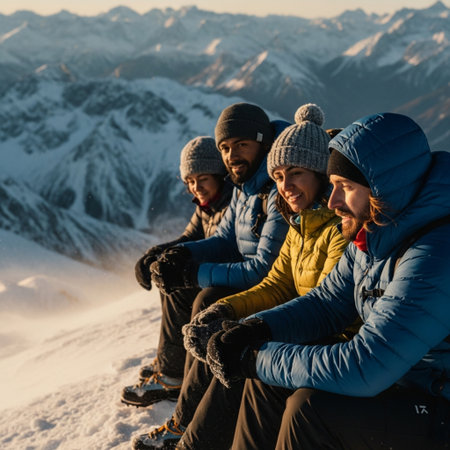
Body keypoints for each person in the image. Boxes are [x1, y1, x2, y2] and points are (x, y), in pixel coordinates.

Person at [206, 112, 450, 449]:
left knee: (309, 409)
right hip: (405, 383)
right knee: (268, 382)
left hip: (436, 404)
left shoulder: (435, 254)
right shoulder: (374, 233)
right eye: (332, 185)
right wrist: (256, 330)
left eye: (346, 187)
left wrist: (254, 358)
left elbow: (367, 365)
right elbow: (326, 304)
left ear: (386, 187)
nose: (333, 202)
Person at [131, 104, 351, 449]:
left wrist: (249, 323)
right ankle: (186, 423)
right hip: (306, 327)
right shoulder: (296, 215)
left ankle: (189, 432)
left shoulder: (329, 224)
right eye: (279, 176)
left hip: (331, 345)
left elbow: (322, 304)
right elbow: (275, 281)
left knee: (237, 350)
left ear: (320, 173)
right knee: (218, 326)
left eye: (295, 173)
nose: (286, 186)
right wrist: (222, 306)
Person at [121, 103, 290, 408]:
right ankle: (174, 370)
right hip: (251, 278)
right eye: (225, 147)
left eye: (241, 144)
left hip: (272, 288)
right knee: (178, 282)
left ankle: (181, 386)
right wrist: (173, 256)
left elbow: (263, 269)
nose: (232, 154)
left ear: (263, 143)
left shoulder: (275, 189)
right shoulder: (243, 185)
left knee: (205, 300)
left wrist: (191, 272)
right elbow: (221, 238)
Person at [126, 136, 233, 388]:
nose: (196, 187)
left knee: (178, 287)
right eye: (190, 182)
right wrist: (157, 253)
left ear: (220, 175)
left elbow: (225, 246)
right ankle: (170, 359)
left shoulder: (230, 204)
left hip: (229, 277)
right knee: (167, 274)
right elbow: (189, 237)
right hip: (216, 273)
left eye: (203, 179)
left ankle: (171, 375)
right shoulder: (207, 205)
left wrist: (178, 261)